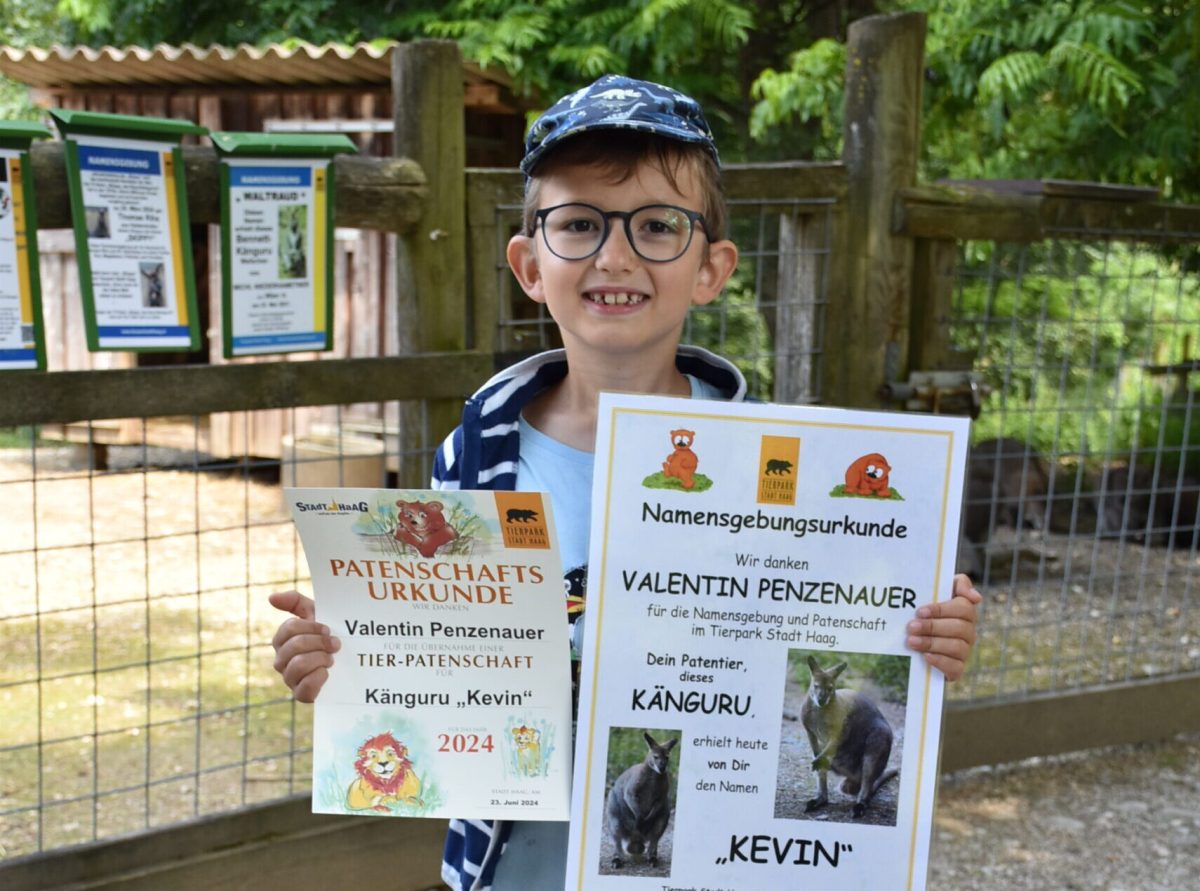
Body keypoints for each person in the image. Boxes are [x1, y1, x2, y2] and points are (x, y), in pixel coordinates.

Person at [270, 74, 983, 891]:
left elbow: (847, 632)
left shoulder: (785, 474)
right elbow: (434, 666)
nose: (615, 255)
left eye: (656, 225)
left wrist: (928, 638)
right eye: (578, 224)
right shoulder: (472, 457)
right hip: (516, 870)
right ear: (530, 264)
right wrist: (346, 660)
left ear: (711, 268)